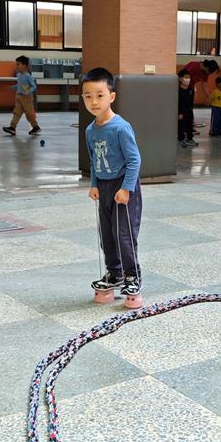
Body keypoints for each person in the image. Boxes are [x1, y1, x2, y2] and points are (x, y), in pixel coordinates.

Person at [84, 67, 143, 298]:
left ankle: (132, 276)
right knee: (107, 234)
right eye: (88, 96)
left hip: (123, 185)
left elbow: (134, 160)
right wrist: (94, 184)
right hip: (104, 187)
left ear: (111, 96)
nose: (94, 101)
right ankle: (114, 273)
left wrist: (126, 189)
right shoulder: (90, 130)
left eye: (100, 95)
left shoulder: (120, 127)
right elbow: (93, 161)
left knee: (123, 234)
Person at [3, 55, 41, 136]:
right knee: (16, 112)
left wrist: (28, 92)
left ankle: (35, 127)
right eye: (16, 64)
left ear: (24, 65)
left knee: (29, 114)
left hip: (27, 98)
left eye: (18, 64)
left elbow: (34, 86)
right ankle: (12, 127)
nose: (16, 66)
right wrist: (13, 87)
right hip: (18, 96)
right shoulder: (19, 75)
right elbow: (19, 85)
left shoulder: (28, 76)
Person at [177, 69, 197, 148]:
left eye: (189, 77)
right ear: (180, 79)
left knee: (190, 126)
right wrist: (179, 113)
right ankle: (181, 139)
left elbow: (191, 101)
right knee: (181, 126)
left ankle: (189, 139)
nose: (188, 79)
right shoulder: (178, 90)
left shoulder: (190, 90)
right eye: (186, 77)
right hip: (182, 112)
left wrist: (191, 110)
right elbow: (177, 102)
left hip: (189, 111)